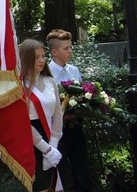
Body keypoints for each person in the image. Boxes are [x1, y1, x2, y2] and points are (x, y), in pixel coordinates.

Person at [46, 29, 91, 191]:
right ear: (54, 52)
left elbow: (81, 97)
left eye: (70, 47)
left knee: (82, 168)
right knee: (60, 171)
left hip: (76, 125)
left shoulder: (74, 71)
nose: (70, 51)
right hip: (57, 130)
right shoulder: (46, 74)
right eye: (66, 48)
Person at [19, 39, 63, 192]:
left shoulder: (50, 81)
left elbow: (58, 114)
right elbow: (21, 122)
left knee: (55, 185)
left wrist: (54, 145)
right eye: (37, 57)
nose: (41, 60)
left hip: (52, 136)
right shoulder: (18, 86)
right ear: (26, 59)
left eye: (43, 56)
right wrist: (45, 149)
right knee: (41, 187)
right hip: (31, 139)